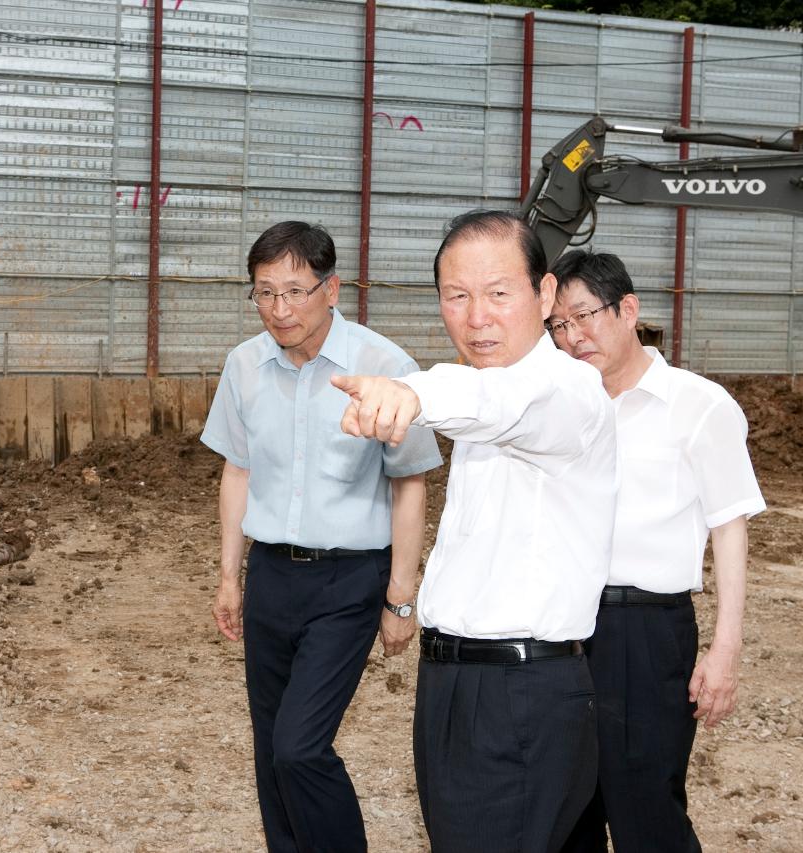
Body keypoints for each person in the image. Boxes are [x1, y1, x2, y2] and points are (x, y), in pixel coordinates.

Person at [332, 210, 617, 853]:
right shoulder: (488, 393)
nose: (476, 316)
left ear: (544, 295)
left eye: (498, 293)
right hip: (458, 682)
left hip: (518, 691)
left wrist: (409, 393)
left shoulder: (566, 390)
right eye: (456, 296)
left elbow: (498, 403)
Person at [202, 221, 442, 853]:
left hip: (350, 581)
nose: (280, 310)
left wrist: (400, 596)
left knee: (299, 747)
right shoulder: (245, 365)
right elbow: (238, 469)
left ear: (331, 289)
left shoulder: (385, 367)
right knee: (269, 749)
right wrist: (231, 575)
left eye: (296, 292)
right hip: (273, 576)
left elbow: (410, 482)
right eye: (264, 293)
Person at [548, 250, 765, 853]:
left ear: (629, 310)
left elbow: (730, 527)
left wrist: (726, 649)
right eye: (559, 325)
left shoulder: (699, 405)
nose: (574, 336)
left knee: (645, 807)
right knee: (567, 807)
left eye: (584, 316)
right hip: (562, 625)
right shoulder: (566, 407)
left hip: (645, 631)